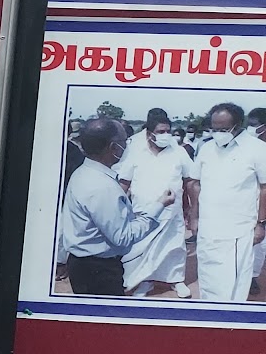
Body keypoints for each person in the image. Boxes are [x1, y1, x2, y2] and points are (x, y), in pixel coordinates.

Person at [60, 118, 176, 295]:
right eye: (125, 142)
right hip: (99, 270)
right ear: (113, 147)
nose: (127, 146)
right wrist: (158, 206)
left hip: (85, 264)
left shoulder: (85, 172)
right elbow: (123, 237)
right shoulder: (101, 186)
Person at [188, 103, 266, 301]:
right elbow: (195, 184)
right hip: (209, 227)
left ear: (238, 125)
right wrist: (194, 216)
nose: (218, 133)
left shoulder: (258, 149)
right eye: (215, 128)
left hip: (240, 230)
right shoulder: (206, 148)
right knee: (208, 278)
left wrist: (260, 223)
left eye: (223, 129)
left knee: (235, 283)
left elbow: (265, 188)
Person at [116, 109, 196, 298]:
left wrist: (192, 208)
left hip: (171, 212)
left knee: (174, 246)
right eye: (161, 132)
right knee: (143, 248)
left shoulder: (178, 152)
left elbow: (190, 180)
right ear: (149, 133)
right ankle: (145, 281)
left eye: (168, 131)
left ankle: (176, 280)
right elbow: (124, 182)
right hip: (142, 212)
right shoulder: (135, 151)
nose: (165, 135)